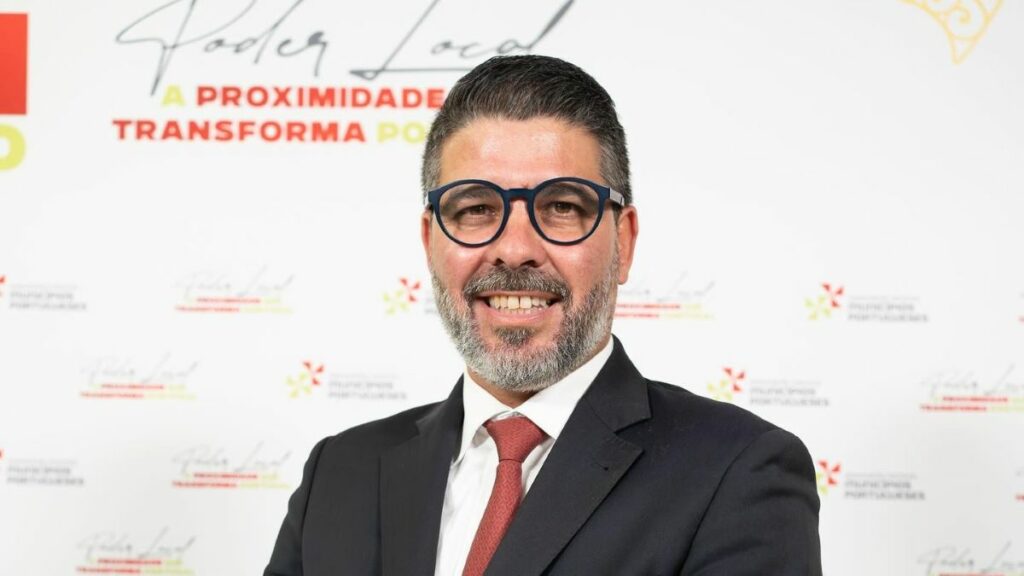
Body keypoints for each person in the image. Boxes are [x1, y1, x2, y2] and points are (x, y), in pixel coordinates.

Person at [265, 55, 822, 576]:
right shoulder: (341, 471)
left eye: (561, 207)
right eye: (476, 209)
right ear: (430, 241)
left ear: (623, 243)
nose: (514, 249)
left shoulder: (737, 471)